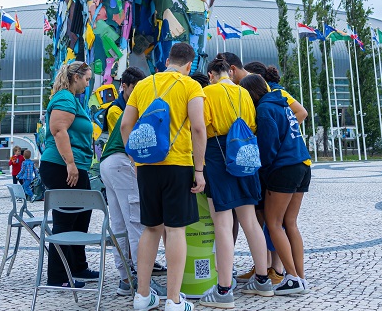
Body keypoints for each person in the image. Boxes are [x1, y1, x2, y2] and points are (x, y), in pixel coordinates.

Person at [121, 42, 207, 311]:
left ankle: (142, 296)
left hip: (147, 165)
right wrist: (200, 169)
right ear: (190, 65)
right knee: (175, 229)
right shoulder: (190, 85)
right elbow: (198, 128)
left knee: (151, 228)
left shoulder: (144, 84)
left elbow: (125, 125)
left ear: (167, 59)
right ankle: (173, 300)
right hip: (178, 164)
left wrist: (135, 159)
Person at [198, 58, 272, 308]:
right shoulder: (244, 92)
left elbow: (200, 127)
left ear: (211, 74)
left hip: (218, 156)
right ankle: (263, 279)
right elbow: (251, 125)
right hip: (245, 156)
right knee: (250, 219)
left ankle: (224, 289)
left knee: (222, 222)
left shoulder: (207, 92)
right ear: (229, 72)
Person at [242, 73, 310, 296]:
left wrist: (261, 168)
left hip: (283, 168)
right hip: (302, 163)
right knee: (290, 223)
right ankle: (300, 277)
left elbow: (268, 146)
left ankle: (290, 277)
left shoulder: (264, 109)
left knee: (273, 223)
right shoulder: (281, 102)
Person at [99, 66, 165, 296]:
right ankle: (142, 282)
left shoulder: (130, 105)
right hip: (121, 163)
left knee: (120, 225)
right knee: (137, 224)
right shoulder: (145, 105)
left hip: (108, 163)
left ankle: (126, 279)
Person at [39, 61, 99, 287]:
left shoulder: (72, 99)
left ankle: (77, 268)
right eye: (86, 79)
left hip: (75, 166)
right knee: (65, 222)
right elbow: (58, 130)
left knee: (80, 218)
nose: (87, 83)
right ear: (75, 77)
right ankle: (58, 277)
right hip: (62, 167)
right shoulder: (64, 98)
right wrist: (70, 163)